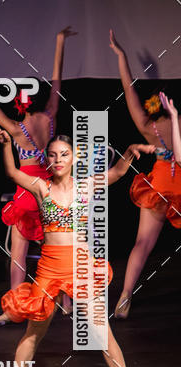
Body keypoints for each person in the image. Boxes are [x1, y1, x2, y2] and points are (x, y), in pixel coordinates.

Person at [0, 125, 153, 367]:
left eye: (64, 154)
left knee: (103, 334)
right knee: (34, 332)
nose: (58, 160)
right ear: (48, 159)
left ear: (74, 157)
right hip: (49, 268)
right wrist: (6, 145)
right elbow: (13, 173)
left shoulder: (86, 185)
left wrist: (129, 151)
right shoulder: (41, 187)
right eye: (53, 155)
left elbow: (117, 173)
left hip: (80, 267)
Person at [0, 26, 76, 325]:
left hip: (28, 195)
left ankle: (14, 309)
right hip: (51, 194)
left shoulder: (17, 129)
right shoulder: (50, 118)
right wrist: (59, 41)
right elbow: (57, 82)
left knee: (18, 255)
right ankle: (66, 302)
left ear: (20, 102)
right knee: (57, 251)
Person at [109, 31, 181, 318]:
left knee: (142, 244)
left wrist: (121, 56)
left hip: (159, 184)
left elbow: (128, 89)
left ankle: (124, 297)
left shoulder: (146, 125)